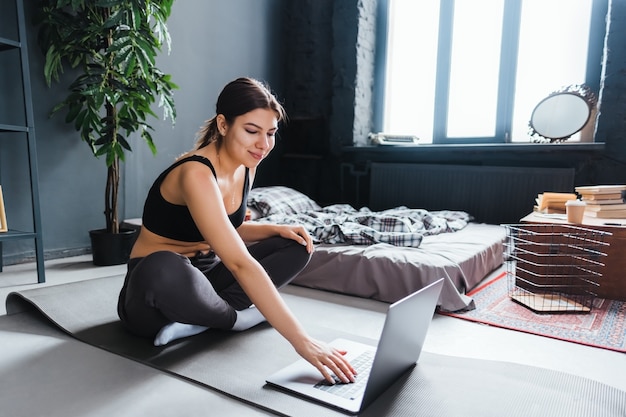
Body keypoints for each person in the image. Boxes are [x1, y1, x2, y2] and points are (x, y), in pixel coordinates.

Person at [117, 77, 355, 384]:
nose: (263, 144)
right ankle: (235, 320)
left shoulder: (247, 164)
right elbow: (240, 262)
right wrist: (302, 340)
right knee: (164, 267)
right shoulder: (196, 173)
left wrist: (276, 228)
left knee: (297, 243)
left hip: (207, 278)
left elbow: (227, 228)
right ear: (223, 125)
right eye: (252, 131)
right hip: (154, 292)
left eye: (271, 133)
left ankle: (199, 320)